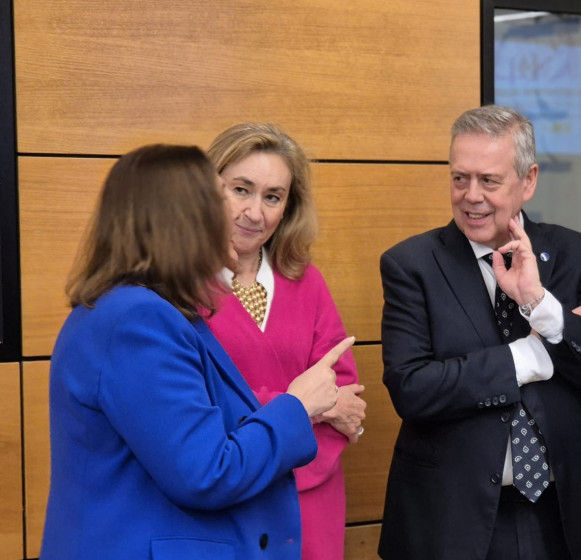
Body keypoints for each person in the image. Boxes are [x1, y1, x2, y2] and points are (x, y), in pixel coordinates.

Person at [41, 144, 353, 559]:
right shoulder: (138, 320)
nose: (243, 216)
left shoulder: (149, 310)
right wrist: (298, 406)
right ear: (181, 220)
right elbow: (205, 472)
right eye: (220, 199)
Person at [377, 105, 581, 560]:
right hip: (453, 519)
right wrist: (532, 357)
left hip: (562, 515)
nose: (471, 196)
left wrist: (542, 306)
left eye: (489, 181)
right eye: (460, 178)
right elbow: (412, 388)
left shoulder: (576, 255)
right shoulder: (411, 265)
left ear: (528, 181)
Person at [204, 122, 365, 560]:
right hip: (224, 500)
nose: (255, 213)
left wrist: (306, 414)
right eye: (241, 189)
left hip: (309, 499)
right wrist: (305, 406)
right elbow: (200, 409)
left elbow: (345, 394)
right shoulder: (181, 287)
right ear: (206, 188)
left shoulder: (307, 282)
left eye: (272, 197)